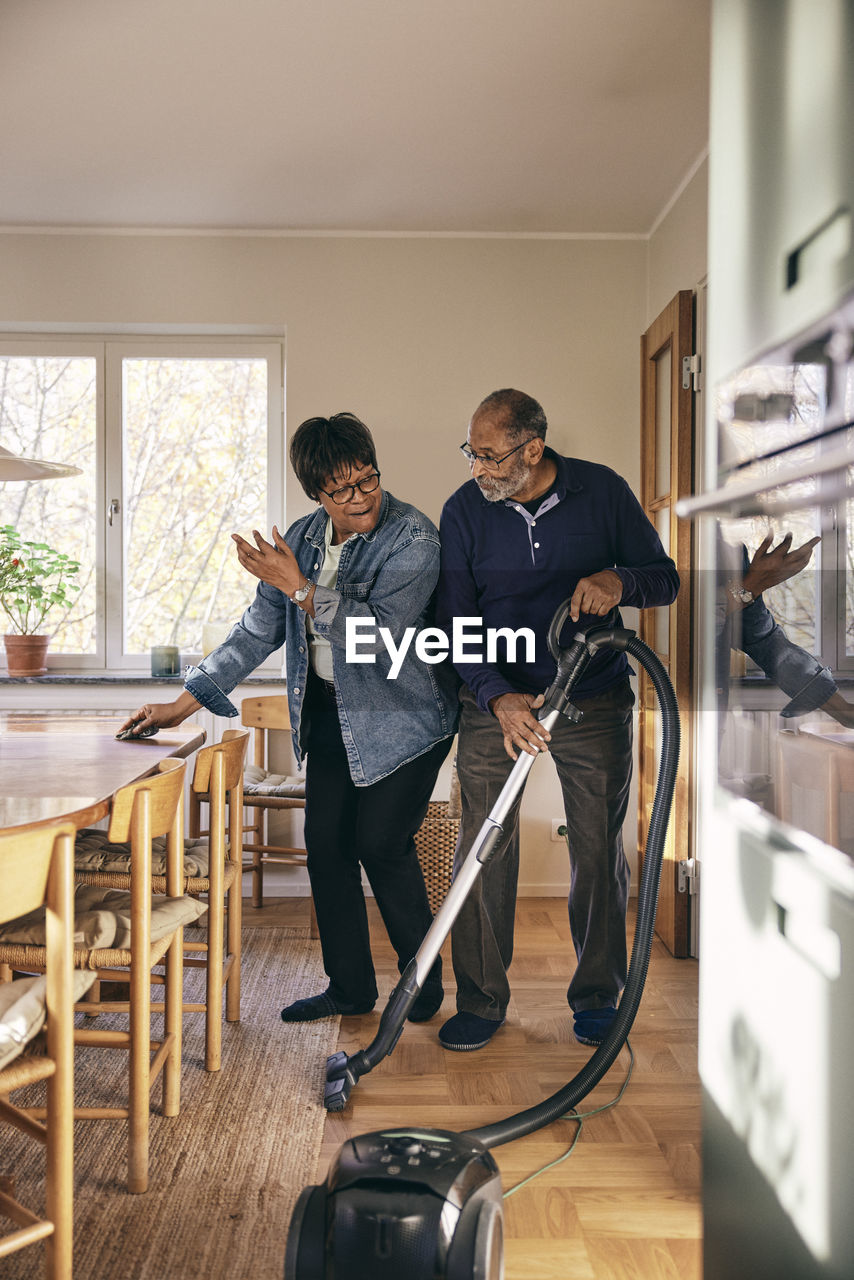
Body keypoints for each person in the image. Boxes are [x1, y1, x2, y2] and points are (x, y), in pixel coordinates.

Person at [120, 412, 459, 1023]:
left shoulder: (415, 539)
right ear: (316, 493)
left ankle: (424, 983)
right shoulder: (302, 539)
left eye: (368, 479)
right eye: (343, 489)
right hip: (329, 713)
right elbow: (257, 632)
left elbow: (382, 637)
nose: (362, 498)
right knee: (327, 848)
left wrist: (300, 589)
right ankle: (350, 989)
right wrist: (184, 700)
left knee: (380, 844)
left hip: (404, 717)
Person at [435, 388, 679, 1051]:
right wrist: (494, 695)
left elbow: (665, 578)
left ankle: (598, 997)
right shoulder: (463, 512)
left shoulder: (601, 493)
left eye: (488, 455)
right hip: (497, 698)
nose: (477, 468)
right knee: (484, 848)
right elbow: (454, 622)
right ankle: (483, 1002)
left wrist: (619, 580)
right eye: (472, 452)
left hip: (593, 694)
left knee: (599, 849)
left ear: (531, 449)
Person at [718, 530, 854, 726]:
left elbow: (763, 639)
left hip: (707, 701)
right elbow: (686, 618)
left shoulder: (731, 549)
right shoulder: (681, 539)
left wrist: (841, 709)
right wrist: (754, 584)